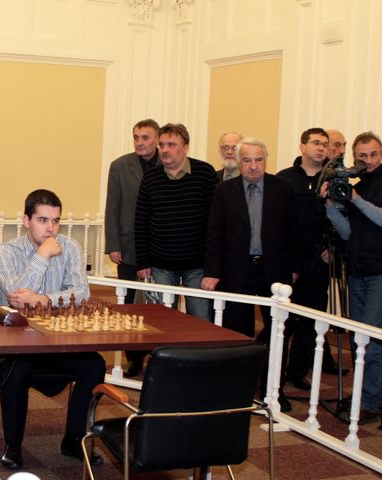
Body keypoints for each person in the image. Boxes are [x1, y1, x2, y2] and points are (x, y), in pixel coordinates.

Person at [0, 189, 106, 470]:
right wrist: (42, 255)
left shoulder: (70, 247)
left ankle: (74, 440)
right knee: (16, 370)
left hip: (58, 340)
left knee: (94, 365)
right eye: (42, 220)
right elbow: (16, 297)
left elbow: (82, 292)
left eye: (55, 221)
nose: (51, 228)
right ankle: (13, 446)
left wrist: (45, 299)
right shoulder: (5, 252)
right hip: (18, 344)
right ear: (26, 220)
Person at [202, 137, 298, 411]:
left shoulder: (282, 188)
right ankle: (237, 389)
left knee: (277, 331)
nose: (253, 165)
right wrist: (212, 272)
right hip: (236, 271)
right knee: (236, 332)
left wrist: (294, 268)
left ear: (266, 161)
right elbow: (215, 234)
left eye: (258, 160)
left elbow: (293, 230)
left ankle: (273, 389)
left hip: (274, 271)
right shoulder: (224, 190)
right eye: (247, 160)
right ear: (238, 162)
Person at [278, 128, 345, 392]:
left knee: (310, 319)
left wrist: (333, 248)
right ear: (302, 146)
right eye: (316, 143)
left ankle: (297, 371)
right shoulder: (284, 178)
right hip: (289, 261)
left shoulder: (333, 180)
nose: (321, 148)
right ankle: (273, 372)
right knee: (284, 319)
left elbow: (343, 218)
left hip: (320, 259)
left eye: (325, 144)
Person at [324, 131, 382, 424]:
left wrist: (355, 199)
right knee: (359, 341)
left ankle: (370, 401)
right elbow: (348, 233)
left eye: (373, 155)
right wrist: (330, 204)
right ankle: (365, 396)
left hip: (379, 273)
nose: (368, 161)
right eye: (362, 156)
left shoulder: (361, 191)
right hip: (357, 271)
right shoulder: (356, 185)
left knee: (371, 340)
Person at [134, 123, 217, 321]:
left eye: (171, 145)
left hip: (198, 265)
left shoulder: (205, 174)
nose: (164, 150)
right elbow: (141, 221)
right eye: (162, 145)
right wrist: (143, 261)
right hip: (160, 264)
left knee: (200, 320)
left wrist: (213, 266)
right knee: (161, 321)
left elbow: (216, 223)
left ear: (185, 147)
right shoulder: (150, 178)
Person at [104, 119, 159, 376]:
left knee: (157, 305)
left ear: (157, 139)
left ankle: (157, 354)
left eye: (145, 137)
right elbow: (112, 208)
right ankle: (133, 358)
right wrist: (113, 244)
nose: (139, 142)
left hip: (159, 247)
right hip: (128, 246)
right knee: (127, 305)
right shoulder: (120, 166)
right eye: (136, 137)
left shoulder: (168, 164)